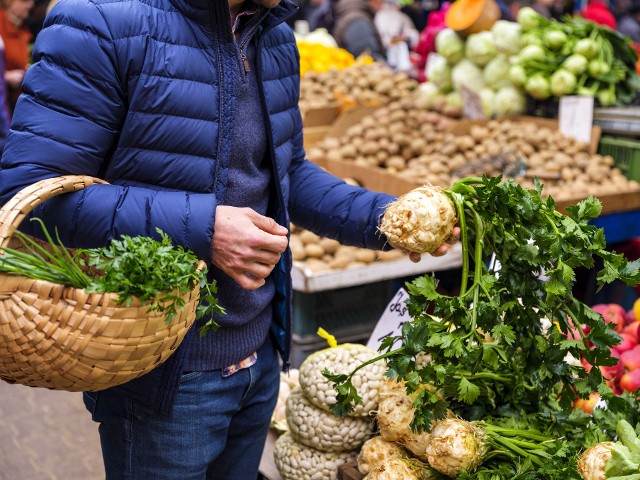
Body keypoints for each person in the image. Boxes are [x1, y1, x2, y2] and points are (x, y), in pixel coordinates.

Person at [0, 0, 457, 478]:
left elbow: (287, 173)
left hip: (259, 358)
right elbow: (31, 196)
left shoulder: (274, 36)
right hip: (165, 371)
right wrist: (205, 228)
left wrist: (387, 218)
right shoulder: (99, 22)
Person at [0, 0, 33, 115]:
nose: (30, 5)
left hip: (18, 104)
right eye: (25, 1)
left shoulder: (24, 29)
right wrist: (6, 77)